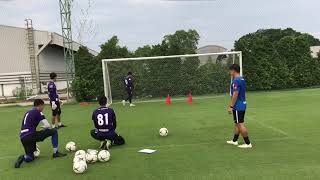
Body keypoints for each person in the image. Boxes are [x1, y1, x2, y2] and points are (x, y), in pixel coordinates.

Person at [15, 99, 66, 168]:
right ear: (40, 105)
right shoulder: (38, 112)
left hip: (23, 137)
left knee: (30, 157)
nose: (43, 108)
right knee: (54, 131)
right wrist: (44, 127)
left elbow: (25, 126)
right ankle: (55, 153)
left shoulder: (27, 112)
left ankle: (23, 157)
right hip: (31, 135)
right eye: (43, 106)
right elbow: (48, 125)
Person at [226, 64, 252, 148]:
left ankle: (248, 143)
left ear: (233, 70)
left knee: (240, 124)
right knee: (237, 123)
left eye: (230, 70)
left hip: (238, 106)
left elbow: (235, 94)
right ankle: (235, 140)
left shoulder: (236, 81)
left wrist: (231, 106)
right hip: (242, 104)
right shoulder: (242, 79)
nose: (230, 72)